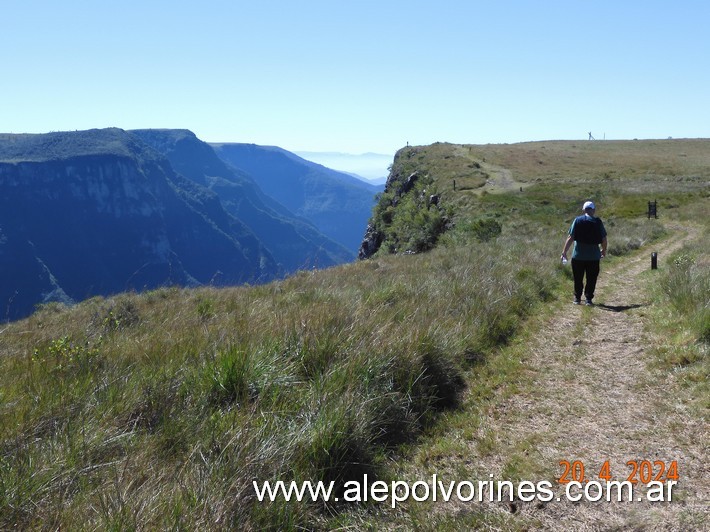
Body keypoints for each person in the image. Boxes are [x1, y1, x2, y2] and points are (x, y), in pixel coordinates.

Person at [561, 201, 607, 305]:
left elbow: (571, 237)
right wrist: (603, 250)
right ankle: (588, 299)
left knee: (578, 278)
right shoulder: (598, 222)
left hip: (578, 256)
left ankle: (577, 298)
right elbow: (604, 239)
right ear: (593, 210)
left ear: (583, 210)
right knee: (591, 278)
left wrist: (564, 252)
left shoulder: (577, 221)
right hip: (593, 257)